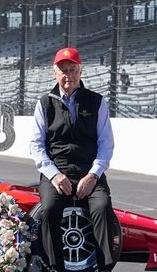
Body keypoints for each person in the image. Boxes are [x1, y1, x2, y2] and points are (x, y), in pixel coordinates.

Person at [30, 47, 115, 272]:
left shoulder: (97, 102)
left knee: (102, 207)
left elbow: (106, 144)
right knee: (48, 209)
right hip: (56, 172)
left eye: (73, 69)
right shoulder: (44, 103)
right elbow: (36, 146)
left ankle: (104, 268)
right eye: (63, 70)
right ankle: (55, 267)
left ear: (80, 71)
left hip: (89, 171)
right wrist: (54, 175)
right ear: (55, 72)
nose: (68, 75)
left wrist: (93, 175)